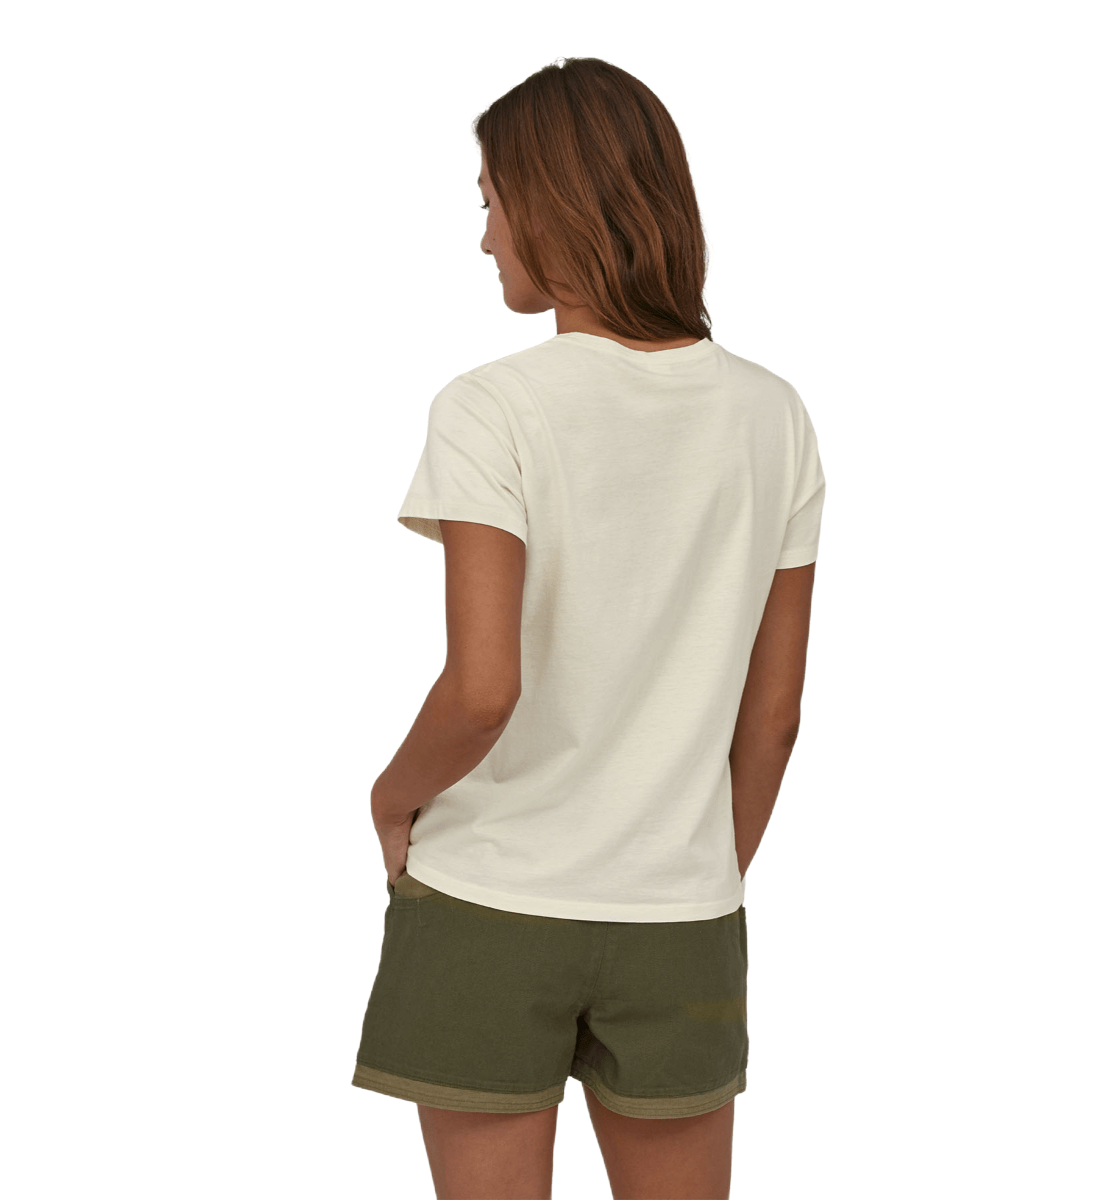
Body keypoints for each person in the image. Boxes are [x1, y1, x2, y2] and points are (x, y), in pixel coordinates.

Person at [352, 56, 825, 1200]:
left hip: (489, 904)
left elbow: (482, 690)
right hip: (682, 915)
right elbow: (773, 720)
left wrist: (389, 798)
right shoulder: (774, 417)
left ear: (549, 203)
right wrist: (687, 871)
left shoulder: (493, 408)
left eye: (491, 202)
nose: (484, 238)